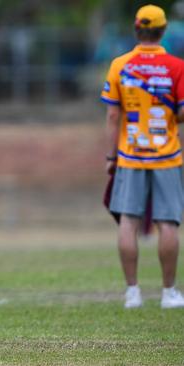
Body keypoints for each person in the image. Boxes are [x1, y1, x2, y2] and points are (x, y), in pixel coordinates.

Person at [101, 4, 184, 309]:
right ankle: (168, 292)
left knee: (128, 222)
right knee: (168, 223)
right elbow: (182, 111)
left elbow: (112, 116)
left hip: (130, 156)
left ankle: (132, 293)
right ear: (163, 31)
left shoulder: (119, 65)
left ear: (136, 29)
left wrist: (111, 157)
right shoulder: (177, 67)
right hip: (167, 156)